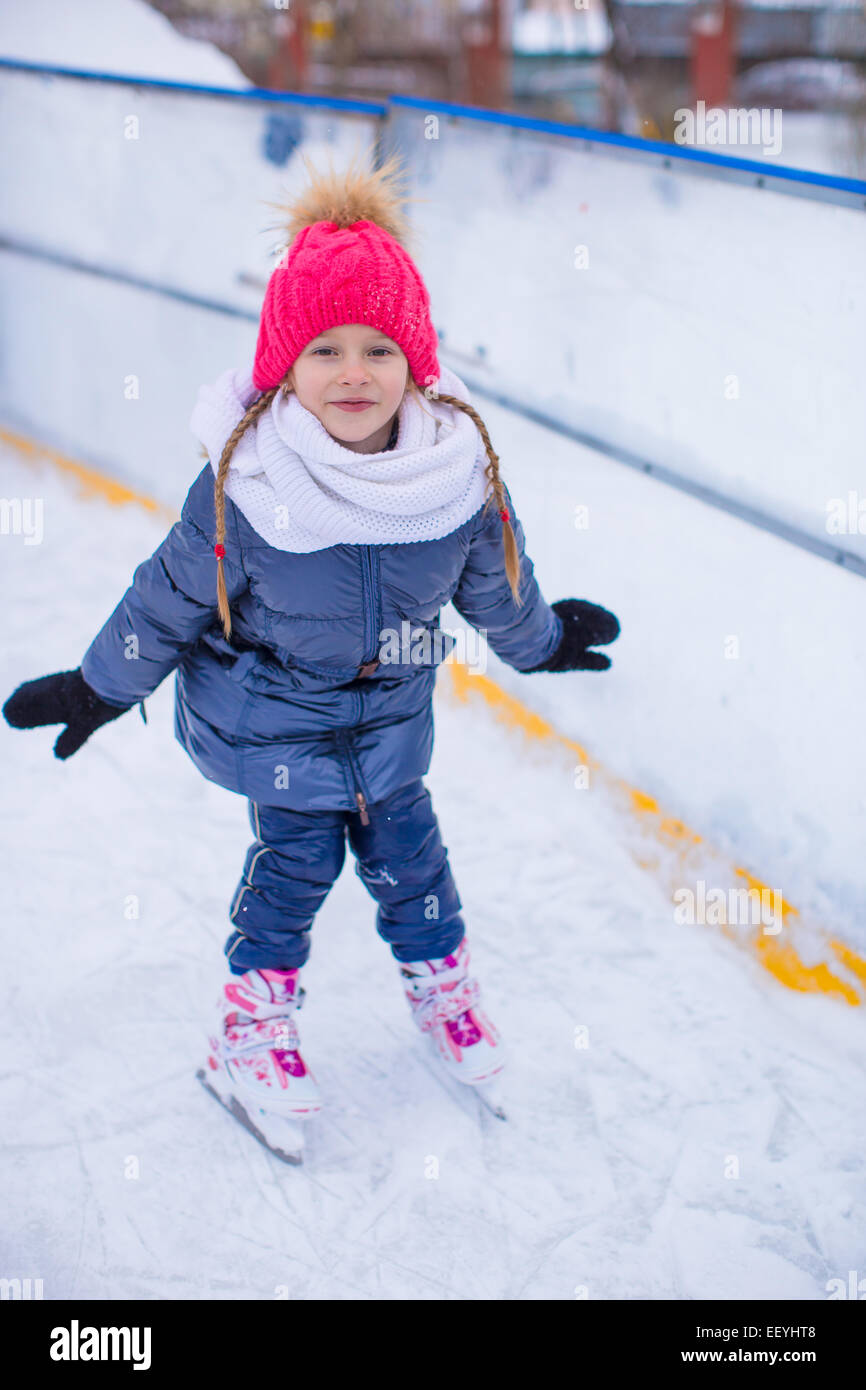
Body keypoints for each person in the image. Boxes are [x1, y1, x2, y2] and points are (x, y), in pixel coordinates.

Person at [3, 153, 620, 1144]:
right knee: (293, 870)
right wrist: (96, 685)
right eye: (323, 350)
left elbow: (494, 587)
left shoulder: (453, 476)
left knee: (414, 862)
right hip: (273, 724)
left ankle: (442, 992)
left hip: (387, 725)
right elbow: (166, 597)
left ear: (412, 361)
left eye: (377, 349)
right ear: (283, 367)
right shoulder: (249, 485)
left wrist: (539, 643)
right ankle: (248, 1030)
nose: (351, 373)